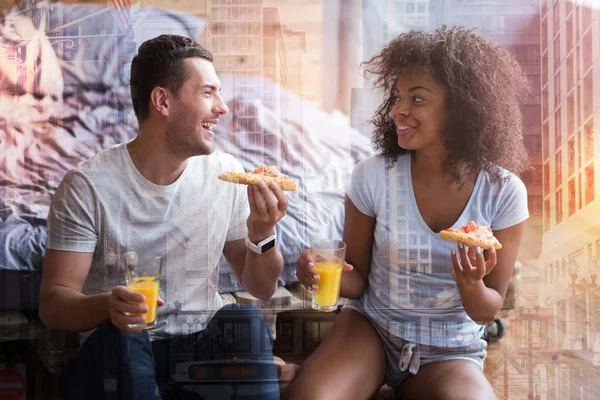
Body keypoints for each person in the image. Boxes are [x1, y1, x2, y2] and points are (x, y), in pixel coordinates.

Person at [286, 26, 530, 400]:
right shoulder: (372, 175)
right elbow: (357, 278)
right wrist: (317, 272)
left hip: (449, 349)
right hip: (372, 329)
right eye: (397, 97)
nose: (398, 109)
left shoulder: (504, 191)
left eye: (417, 99)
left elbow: (487, 311)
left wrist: (471, 287)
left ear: (461, 106)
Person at [38, 34, 288, 399]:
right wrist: (107, 305)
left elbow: (261, 287)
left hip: (200, 346)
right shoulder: (87, 186)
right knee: (123, 337)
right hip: (122, 352)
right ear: (162, 100)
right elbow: (53, 305)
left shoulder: (226, 173)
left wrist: (262, 232)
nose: (222, 107)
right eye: (207, 93)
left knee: (246, 322)